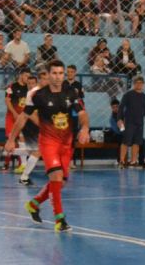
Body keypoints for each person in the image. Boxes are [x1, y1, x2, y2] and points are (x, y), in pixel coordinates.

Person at [5, 60, 89, 231]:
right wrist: (11, 138)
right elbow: (22, 117)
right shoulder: (38, 95)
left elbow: (82, 113)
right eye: (54, 73)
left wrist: (85, 128)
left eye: (60, 73)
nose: (58, 77)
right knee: (56, 177)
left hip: (67, 143)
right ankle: (60, 220)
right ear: (48, 75)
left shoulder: (71, 92)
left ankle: (34, 204)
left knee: (61, 182)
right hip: (48, 142)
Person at [118, 76, 145, 167]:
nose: (139, 84)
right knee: (126, 142)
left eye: (141, 83)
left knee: (137, 142)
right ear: (134, 84)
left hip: (139, 123)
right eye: (137, 82)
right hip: (129, 122)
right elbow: (121, 107)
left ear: (143, 84)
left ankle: (133, 161)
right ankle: (121, 161)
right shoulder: (128, 95)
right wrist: (119, 119)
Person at [4, 69, 30, 170]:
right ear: (21, 75)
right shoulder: (12, 86)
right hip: (12, 117)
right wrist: (14, 113)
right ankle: (6, 162)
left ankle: (22, 164)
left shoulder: (29, 88)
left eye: (29, 76)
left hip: (23, 118)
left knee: (22, 140)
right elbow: (7, 100)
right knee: (11, 138)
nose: (28, 79)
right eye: (26, 76)